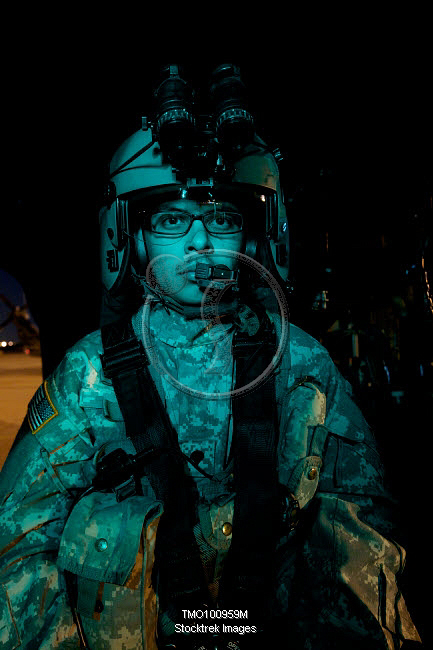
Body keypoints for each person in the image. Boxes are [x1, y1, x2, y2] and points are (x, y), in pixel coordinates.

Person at [0, 65, 422, 649]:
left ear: (252, 238)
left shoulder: (303, 367)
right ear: (132, 238)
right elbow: (20, 548)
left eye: (222, 219)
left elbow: (364, 546)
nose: (200, 242)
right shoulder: (89, 377)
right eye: (172, 220)